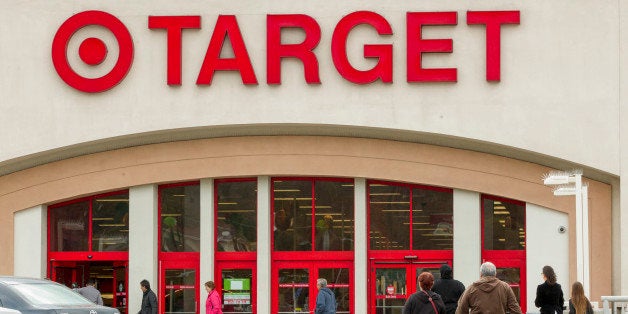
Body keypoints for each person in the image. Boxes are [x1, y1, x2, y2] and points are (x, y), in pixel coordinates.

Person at [455, 261, 522, 314]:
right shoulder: (505, 287)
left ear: (481, 274)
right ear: (495, 274)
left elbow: (461, 310)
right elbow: (515, 310)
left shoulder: (471, 289)